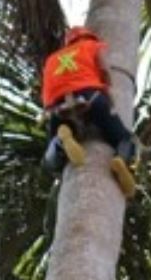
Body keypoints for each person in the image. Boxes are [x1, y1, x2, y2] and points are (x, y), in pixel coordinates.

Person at [39, 26, 138, 180]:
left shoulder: (52, 59)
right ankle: (121, 160)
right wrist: (108, 87)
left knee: (49, 159)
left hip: (58, 105)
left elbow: (46, 90)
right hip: (90, 97)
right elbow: (104, 69)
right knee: (124, 138)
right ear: (88, 37)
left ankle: (60, 141)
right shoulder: (92, 46)